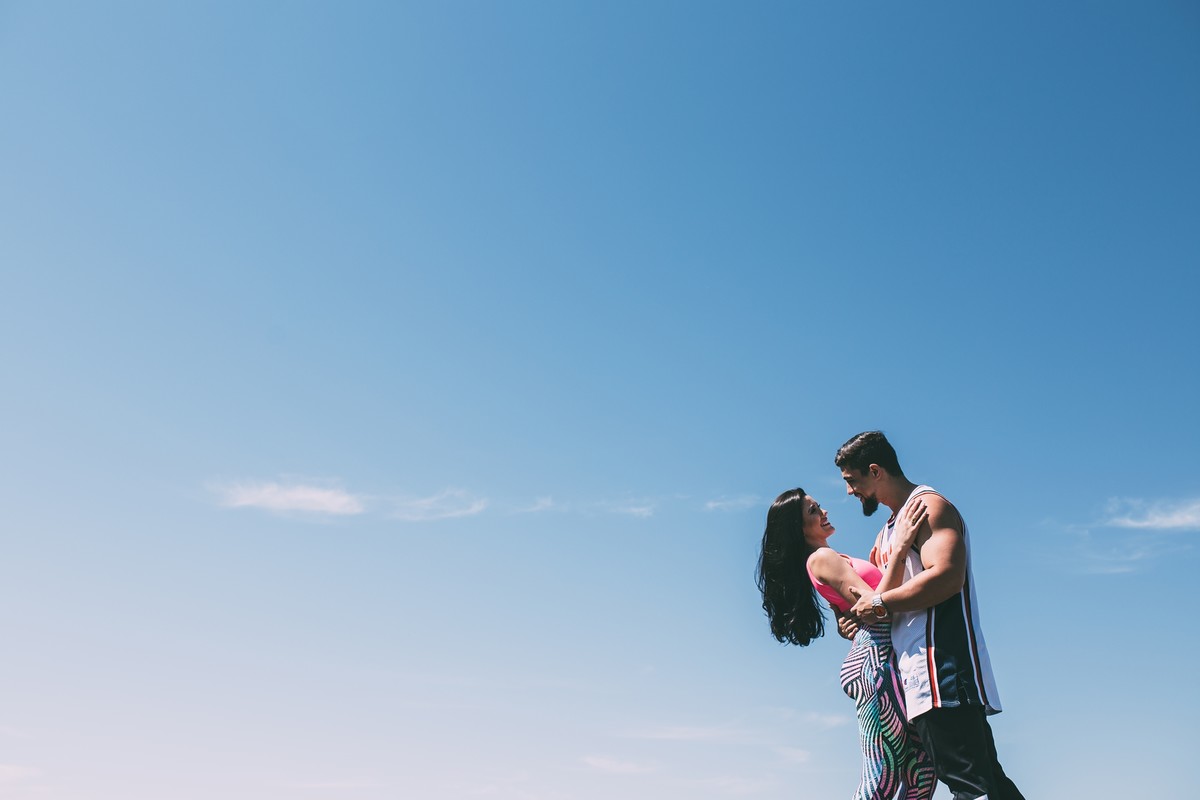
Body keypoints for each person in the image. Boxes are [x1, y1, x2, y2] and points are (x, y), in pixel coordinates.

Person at [836, 431, 1025, 800]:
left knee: (970, 786)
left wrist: (879, 604)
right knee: (989, 784)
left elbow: (948, 577)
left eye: (851, 480)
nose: (849, 491)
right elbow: (884, 599)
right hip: (916, 677)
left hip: (943, 670)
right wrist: (859, 617)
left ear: (875, 471)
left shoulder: (929, 507)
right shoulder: (887, 533)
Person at [756, 487, 936, 800]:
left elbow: (858, 610)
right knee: (882, 778)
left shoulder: (832, 558)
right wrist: (901, 545)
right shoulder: (821, 558)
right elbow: (877, 605)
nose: (824, 512)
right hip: (876, 664)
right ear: (799, 529)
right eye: (813, 511)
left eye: (819, 506)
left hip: (890, 658)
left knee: (922, 772)